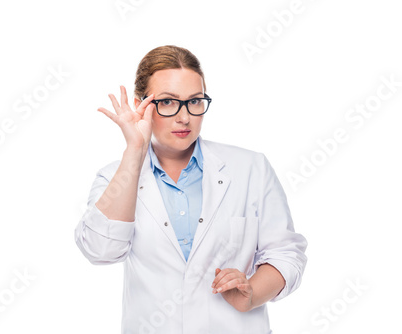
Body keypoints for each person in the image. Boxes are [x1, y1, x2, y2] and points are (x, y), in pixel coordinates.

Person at [74, 45, 308, 334]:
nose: (184, 117)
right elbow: (101, 250)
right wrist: (135, 150)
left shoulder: (250, 168)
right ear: (142, 106)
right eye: (168, 102)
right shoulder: (116, 176)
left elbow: (286, 254)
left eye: (195, 101)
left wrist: (252, 293)